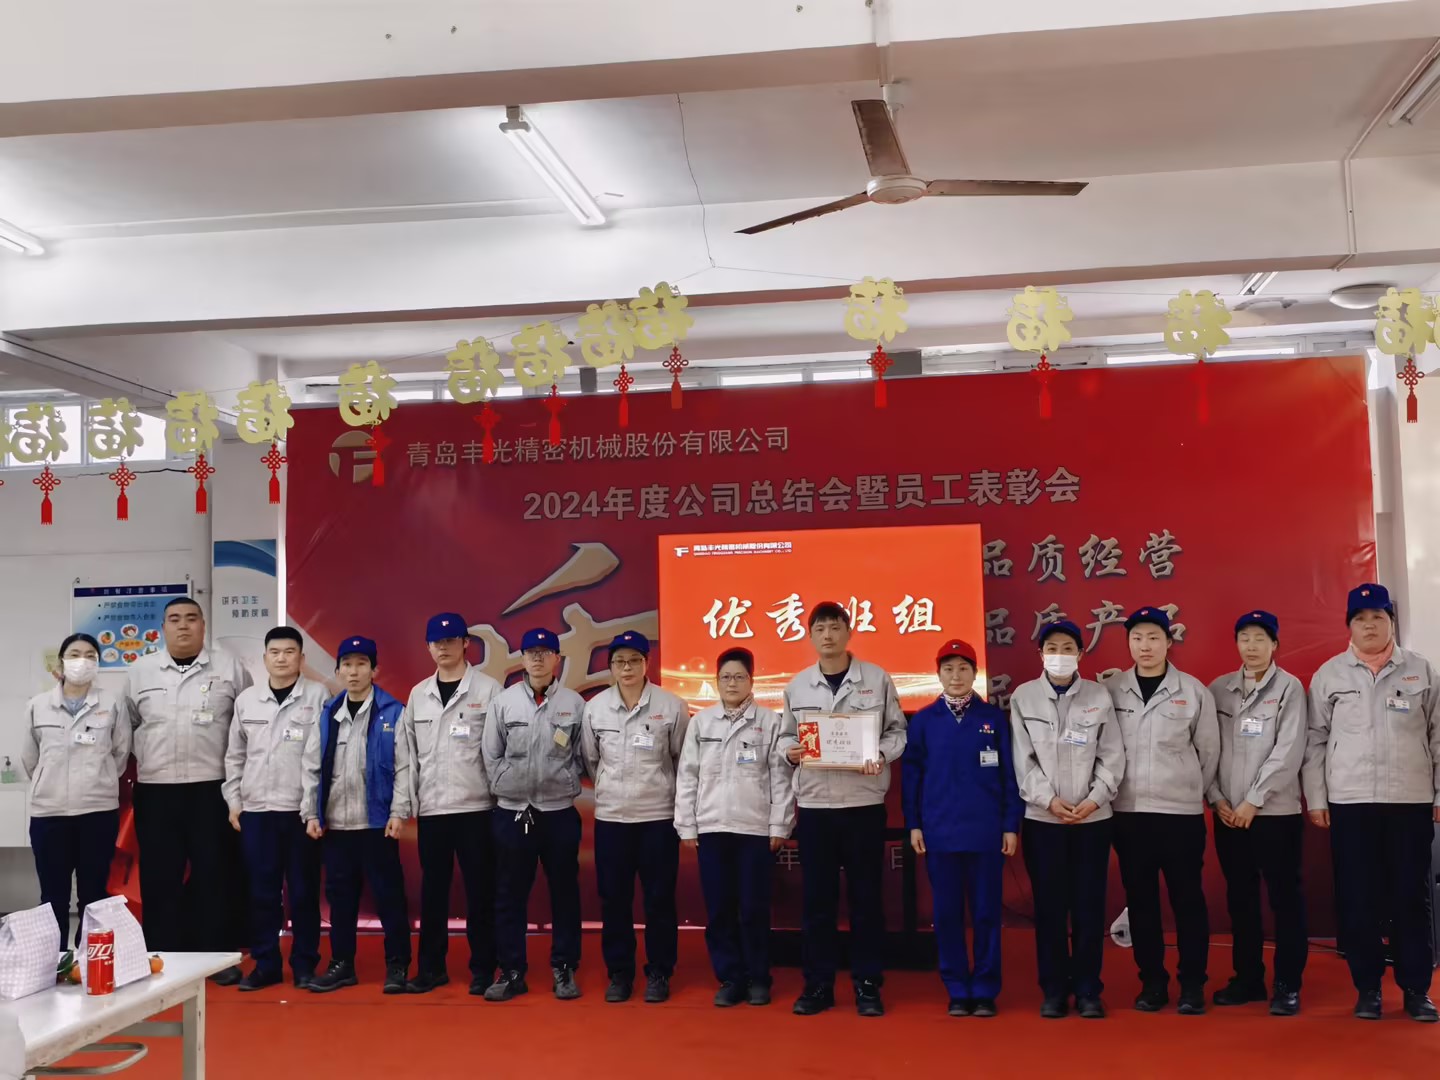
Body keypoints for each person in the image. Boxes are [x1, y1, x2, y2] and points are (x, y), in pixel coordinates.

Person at [1303, 583, 1440, 1022]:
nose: (1369, 626)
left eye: (1377, 617)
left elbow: (1438, 735)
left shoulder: (1420, 670)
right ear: (1349, 626)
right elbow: (1314, 741)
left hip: (1409, 801)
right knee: (1358, 897)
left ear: (1390, 622)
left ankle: (1416, 989)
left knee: (1410, 896)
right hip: (1351, 801)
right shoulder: (1330, 675)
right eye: (1360, 619)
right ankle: (1368, 988)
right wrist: (1317, 798)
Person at [779, 601, 907, 1018]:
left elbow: (897, 732)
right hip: (816, 805)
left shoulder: (876, 678)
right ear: (810, 636)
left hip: (863, 803)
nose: (828, 635)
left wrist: (880, 755)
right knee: (817, 901)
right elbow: (784, 737)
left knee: (866, 899)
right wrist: (790, 751)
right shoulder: (798, 686)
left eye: (835, 627)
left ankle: (868, 984)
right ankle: (818, 984)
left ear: (849, 632)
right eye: (820, 628)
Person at [128, 597, 252, 984]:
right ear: (163, 628)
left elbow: (246, 723)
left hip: (211, 788)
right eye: (175, 619)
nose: (183, 626)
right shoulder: (140, 671)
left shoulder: (229, 668)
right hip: (157, 788)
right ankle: (162, 957)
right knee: (159, 876)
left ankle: (217, 959)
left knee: (215, 874)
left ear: (203, 625)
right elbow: (126, 728)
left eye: (191, 618)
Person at [1106, 606, 1219, 1015]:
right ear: (1128, 643)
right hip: (1129, 813)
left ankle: (1192, 984)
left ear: (1169, 642)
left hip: (1180, 816)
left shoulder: (1193, 690)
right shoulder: (1112, 691)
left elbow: (1209, 752)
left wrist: (1187, 790)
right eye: (1137, 638)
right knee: (1141, 902)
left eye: (1154, 637)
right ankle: (1152, 982)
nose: (1145, 646)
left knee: (1188, 900)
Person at [1009, 620, 1125, 1020]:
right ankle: (1054, 990)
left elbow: (1112, 755)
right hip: (1044, 821)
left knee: (1089, 907)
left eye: (1068, 648)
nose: (1060, 655)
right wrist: (1050, 801)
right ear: (1041, 654)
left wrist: (1094, 799)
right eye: (1052, 648)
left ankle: (1089, 989)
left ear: (1080, 653)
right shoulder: (1024, 697)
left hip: (1093, 820)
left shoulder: (1098, 695)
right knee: (1050, 908)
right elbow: (1022, 760)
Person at [903, 640, 1020, 1018]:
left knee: (986, 914)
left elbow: (1009, 774)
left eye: (963, 668)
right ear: (938, 674)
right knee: (947, 915)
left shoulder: (993, 719)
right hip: (939, 833)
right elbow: (911, 777)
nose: (956, 676)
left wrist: (1010, 825)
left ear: (975, 673)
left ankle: (984, 989)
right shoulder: (924, 721)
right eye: (948, 669)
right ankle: (956, 987)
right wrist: (914, 823)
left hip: (986, 832)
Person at [673, 646, 792, 1007]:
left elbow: (781, 778)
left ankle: (758, 978)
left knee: (754, 908)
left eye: (739, 676)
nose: (732, 683)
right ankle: (729, 978)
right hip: (712, 827)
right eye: (725, 677)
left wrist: (779, 825)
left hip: (754, 828)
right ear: (716, 681)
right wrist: (687, 825)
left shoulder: (770, 722)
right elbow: (687, 775)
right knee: (720, 909)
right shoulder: (701, 722)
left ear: (752, 681)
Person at [392, 613, 502, 996]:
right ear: (427, 647)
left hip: (477, 810)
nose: (443, 648)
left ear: (466, 644)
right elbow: (408, 756)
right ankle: (431, 969)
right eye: (436, 642)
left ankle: (483, 969)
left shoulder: (488, 690)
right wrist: (405, 805)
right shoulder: (418, 695)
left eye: (451, 640)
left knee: (480, 893)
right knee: (433, 894)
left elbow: (499, 751)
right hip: (434, 811)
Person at [1206, 610, 1309, 1016]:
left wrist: (1254, 800)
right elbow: (1206, 749)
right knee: (1241, 899)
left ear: (1275, 645)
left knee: (1285, 899)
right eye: (1244, 638)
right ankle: (1247, 978)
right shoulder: (1218, 689)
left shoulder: (1289, 688)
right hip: (1229, 815)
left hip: (1274, 814)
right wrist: (1216, 798)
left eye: (1260, 639)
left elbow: (1289, 751)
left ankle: (1287, 984)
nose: (1251, 646)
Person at [581, 630, 691, 1004]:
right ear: (611, 667)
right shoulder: (595, 708)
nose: (626, 668)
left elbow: (681, 758)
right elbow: (591, 760)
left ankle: (659, 971)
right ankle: (620, 973)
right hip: (612, 819)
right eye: (619, 662)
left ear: (647, 663)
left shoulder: (671, 706)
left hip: (658, 817)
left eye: (633, 660)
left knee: (659, 898)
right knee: (614, 899)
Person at [301, 636, 412, 995]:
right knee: (341, 899)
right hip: (337, 825)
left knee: (389, 897)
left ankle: (397, 965)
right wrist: (311, 812)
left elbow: (404, 766)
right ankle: (342, 964)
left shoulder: (393, 712)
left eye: (361, 664)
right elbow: (312, 766)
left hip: (378, 823)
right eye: (346, 665)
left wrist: (398, 811)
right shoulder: (328, 714)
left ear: (374, 670)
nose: (353, 672)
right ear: (337, 671)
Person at [480, 628, 587, 1002]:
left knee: (565, 895)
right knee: (509, 895)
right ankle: (511, 971)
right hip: (513, 812)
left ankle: (564, 968)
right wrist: (508, 782)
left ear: (557, 658)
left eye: (545, 652)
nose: (538, 659)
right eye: (531, 652)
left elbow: (584, 755)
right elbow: (490, 754)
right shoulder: (504, 702)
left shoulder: (574, 704)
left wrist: (565, 779)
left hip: (558, 813)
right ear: (522, 658)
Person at [222, 627, 328, 991]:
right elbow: (235, 756)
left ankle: (304, 964)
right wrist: (234, 802)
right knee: (262, 893)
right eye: (275, 652)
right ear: (265, 658)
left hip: (300, 813)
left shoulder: (318, 696)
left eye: (289, 652)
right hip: (257, 811)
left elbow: (321, 759)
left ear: (301, 658)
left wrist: (313, 810)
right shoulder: (247, 700)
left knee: (303, 892)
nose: (282, 658)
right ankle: (266, 964)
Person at [22, 633, 132, 947]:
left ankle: (90, 962)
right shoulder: (38, 705)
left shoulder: (111, 703)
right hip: (50, 813)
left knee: (94, 895)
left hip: (97, 813)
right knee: (52, 896)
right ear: (61, 661)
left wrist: (99, 780)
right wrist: (50, 781)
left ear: (97, 664)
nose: (81, 661)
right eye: (74, 654)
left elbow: (121, 753)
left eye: (89, 655)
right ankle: (54, 962)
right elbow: (30, 758)